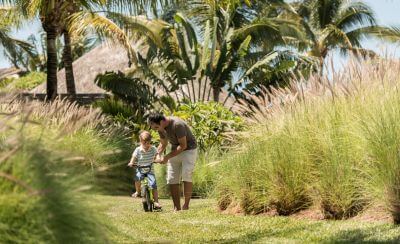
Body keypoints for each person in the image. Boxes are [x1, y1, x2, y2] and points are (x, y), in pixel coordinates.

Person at [148, 113, 197, 211]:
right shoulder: (161, 128)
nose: (156, 130)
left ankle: (186, 206)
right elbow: (163, 143)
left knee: (186, 175)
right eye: (154, 128)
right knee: (172, 178)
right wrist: (156, 155)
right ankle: (177, 208)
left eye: (156, 127)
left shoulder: (177, 125)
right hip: (175, 150)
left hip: (189, 150)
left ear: (162, 121)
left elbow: (183, 145)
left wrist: (166, 157)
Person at [128, 130, 162, 209]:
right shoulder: (138, 149)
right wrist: (131, 162)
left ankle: (156, 201)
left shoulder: (153, 148)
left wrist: (158, 159)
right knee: (137, 178)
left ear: (150, 141)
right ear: (140, 141)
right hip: (140, 169)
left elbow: (157, 155)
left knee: (153, 185)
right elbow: (134, 157)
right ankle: (138, 191)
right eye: (144, 142)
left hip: (150, 171)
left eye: (148, 142)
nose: (146, 144)